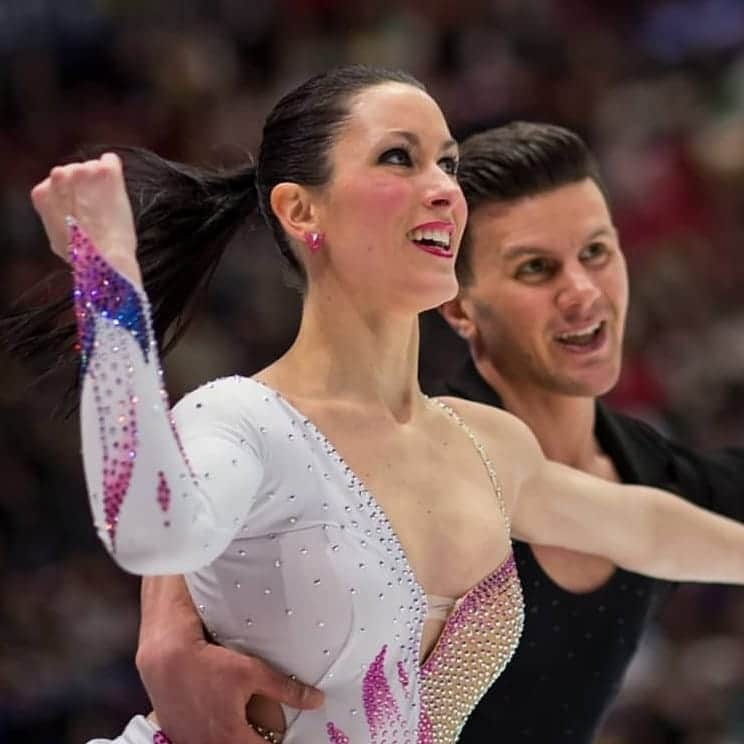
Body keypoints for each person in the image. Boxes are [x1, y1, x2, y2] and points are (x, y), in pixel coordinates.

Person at [21, 66, 744, 744]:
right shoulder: (243, 421)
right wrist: (107, 279)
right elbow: (150, 533)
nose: (443, 189)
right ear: (302, 209)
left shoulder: (487, 444)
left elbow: (643, 527)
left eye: (449, 164)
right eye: (400, 158)